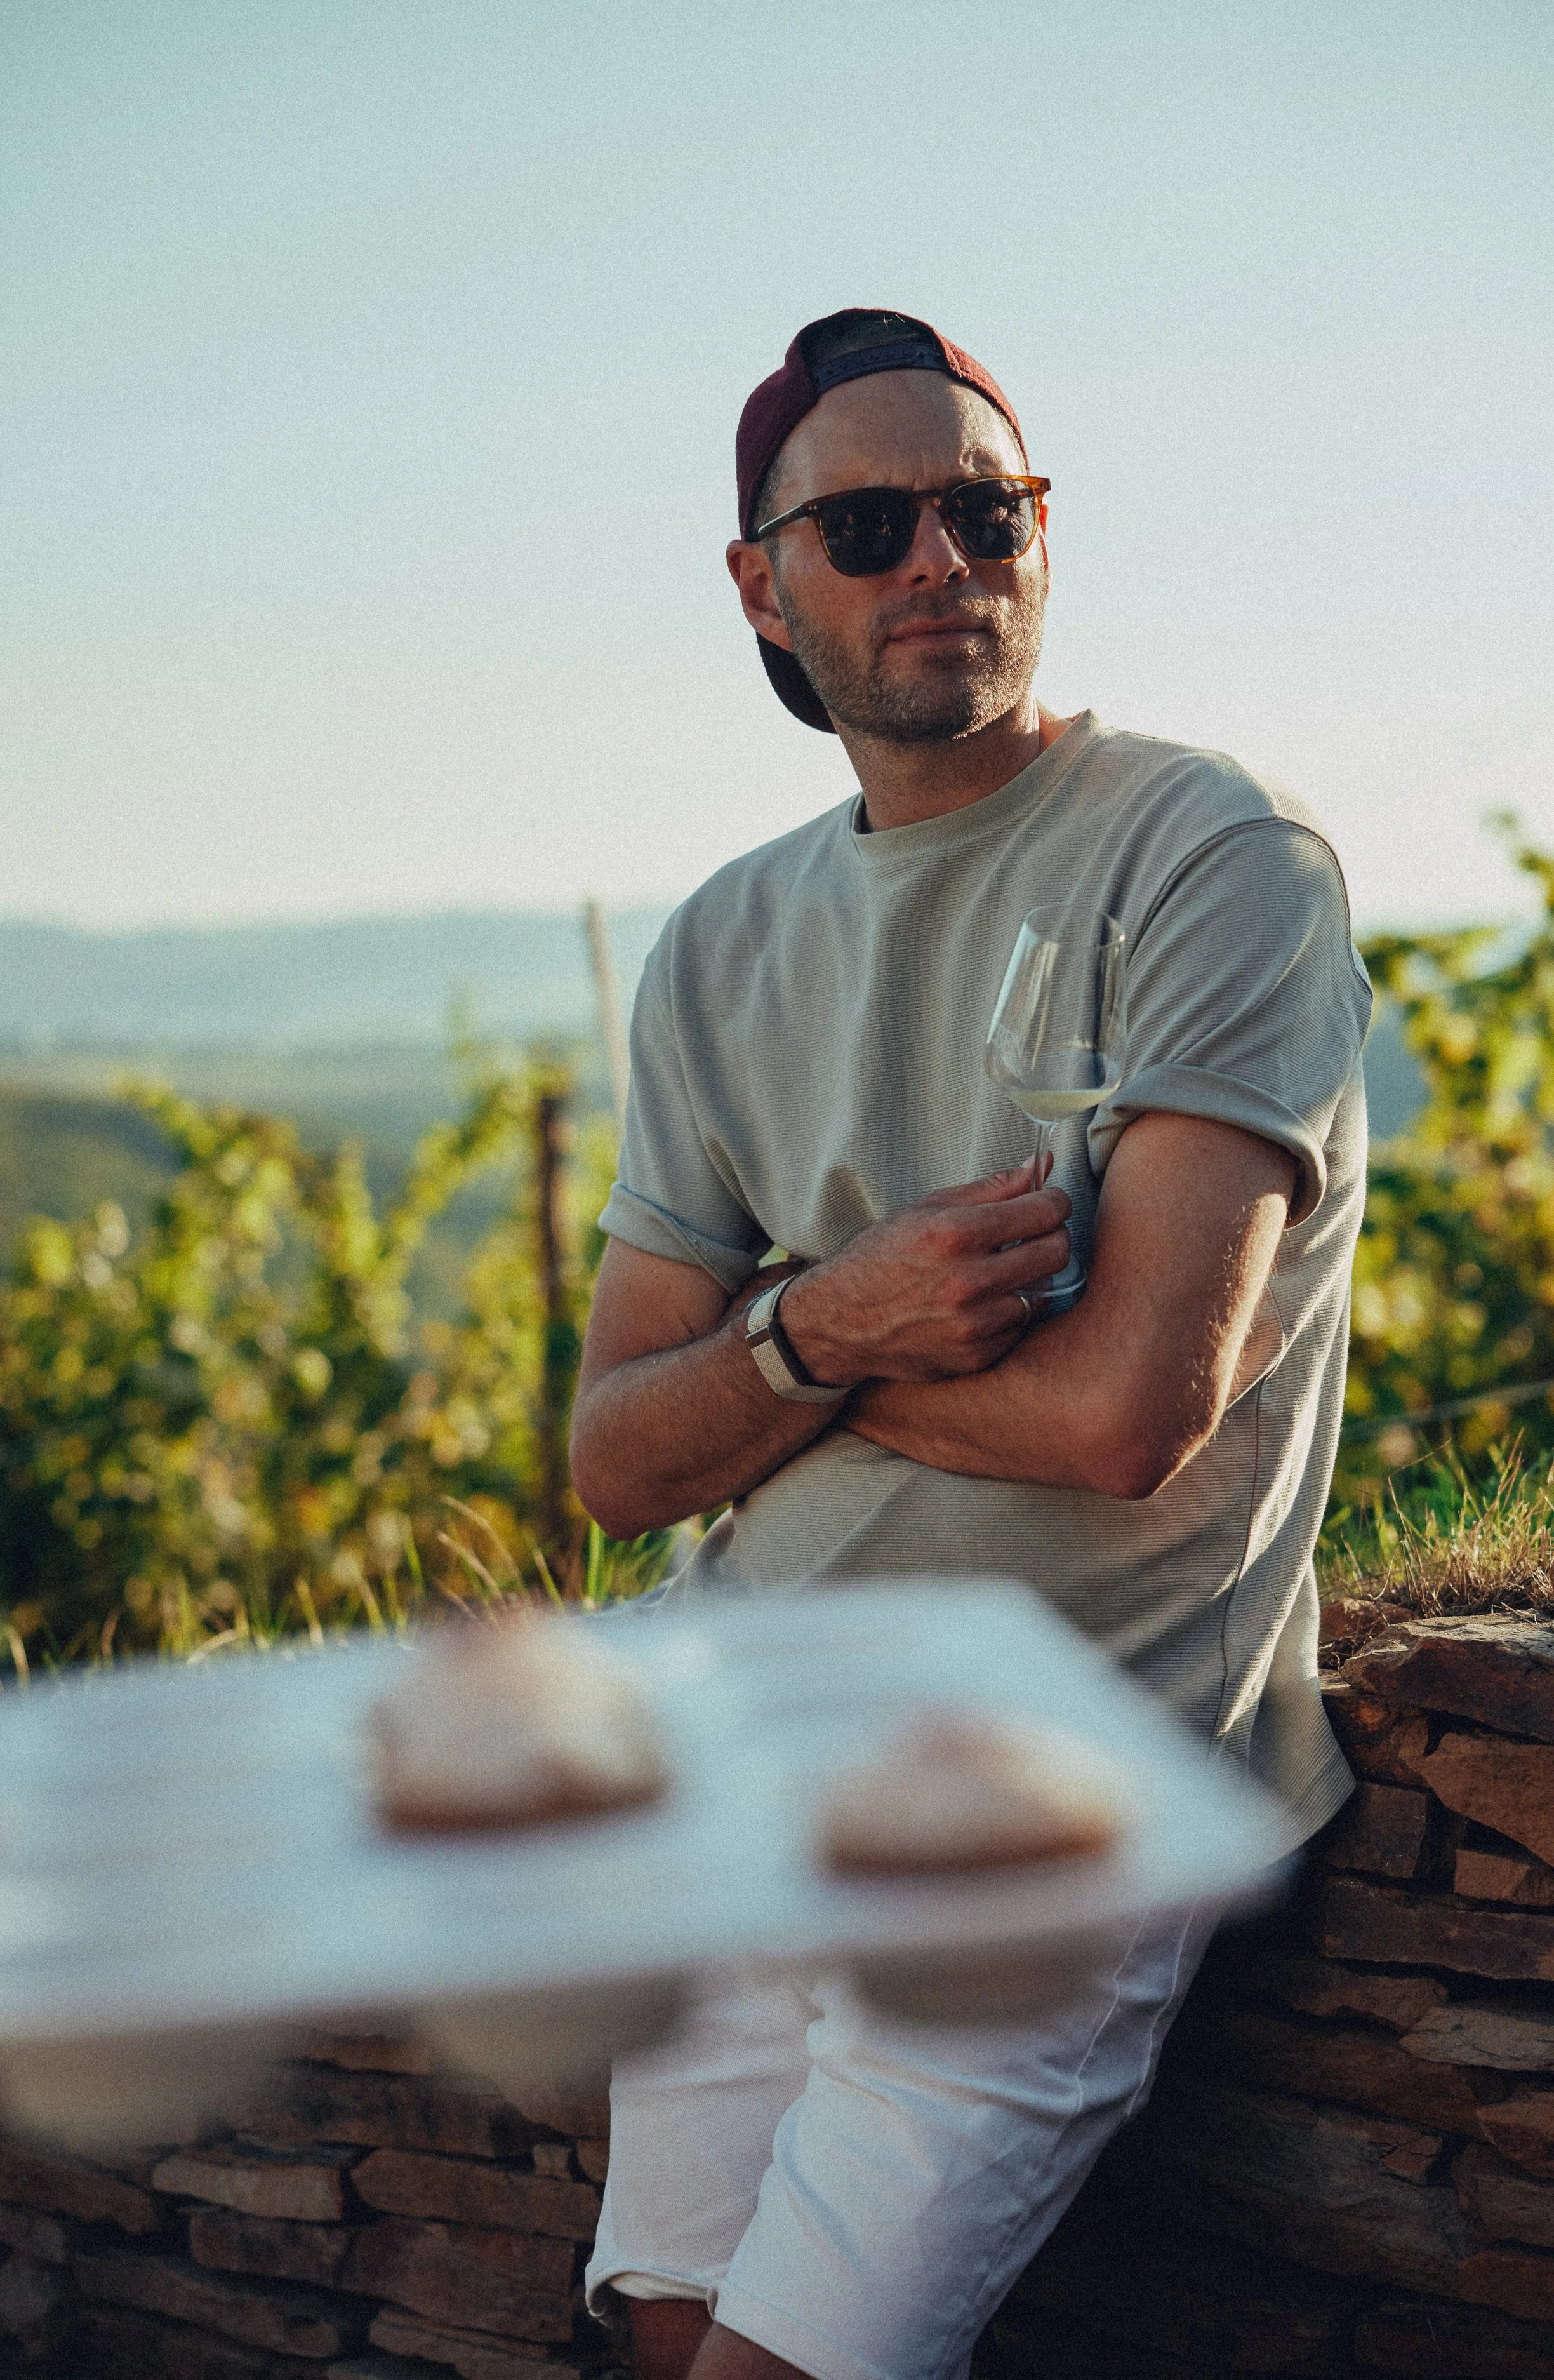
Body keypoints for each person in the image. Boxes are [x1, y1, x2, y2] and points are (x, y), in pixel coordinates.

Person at [569, 307, 1369, 2380]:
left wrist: (773, 1369)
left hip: (1047, 1790)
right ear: (762, 585)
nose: (939, 556)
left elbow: (1123, 1417)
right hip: (740, 1743)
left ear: (1037, 533)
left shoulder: (1209, 856)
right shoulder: (720, 942)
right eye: (866, 525)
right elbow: (616, 1462)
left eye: (984, 509)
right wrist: (830, 1320)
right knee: (666, 2339)